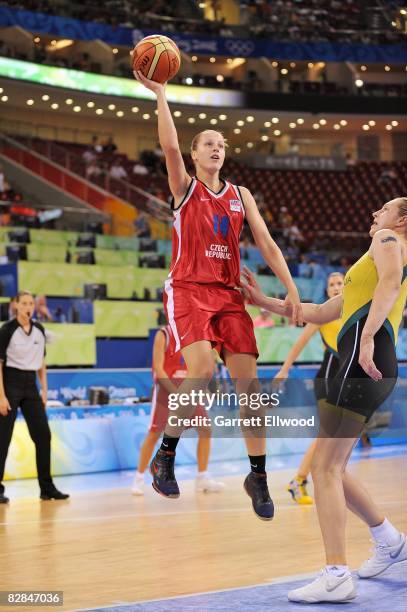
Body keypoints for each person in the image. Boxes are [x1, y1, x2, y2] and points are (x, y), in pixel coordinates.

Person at [133, 68, 302, 520]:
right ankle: (165, 455)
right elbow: (168, 145)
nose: (217, 148)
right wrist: (161, 95)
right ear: (195, 153)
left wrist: (290, 291)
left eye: (222, 145)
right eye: (209, 142)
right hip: (188, 288)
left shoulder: (241, 194)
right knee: (203, 370)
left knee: (251, 389)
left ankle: (258, 475)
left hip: (229, 295)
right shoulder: (184, 188)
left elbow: (265, 242)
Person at [241, 196, 407, 603]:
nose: (374, 214)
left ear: (401, 220)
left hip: (362, 356)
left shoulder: (388, 240)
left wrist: (366, 337)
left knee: (325, 468)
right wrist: (264, 302)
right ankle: (391, 542)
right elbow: (320, 311)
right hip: (369, 359)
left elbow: (390, 282)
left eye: (382, 209)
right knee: (332, 467)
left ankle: (336, 574)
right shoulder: (366, 266)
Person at [274, 272, 344, 505]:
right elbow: (300, 342)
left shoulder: (355, 311)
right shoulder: (323, 314)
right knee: (328, 435)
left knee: (334, 436)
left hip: (345, 380)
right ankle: (301, 480)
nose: (335, 287)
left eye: (339, 283)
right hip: (327, 379)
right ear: (327, 291)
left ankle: (306, 480)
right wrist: (284, 370)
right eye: (331, 284)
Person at [132, 326, 224, 495]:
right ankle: (138, 478)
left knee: (205, 429)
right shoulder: (164, 334)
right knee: (154, 433)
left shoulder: (195, 334)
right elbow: (158, 369)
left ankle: (202, 477)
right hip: (166, 390)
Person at [0, 291, 69, 503]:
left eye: (31, 303)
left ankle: (46, 488)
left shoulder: (39, 329)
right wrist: (1, 396)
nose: (28, 307)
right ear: (16, 305)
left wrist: (44, 389)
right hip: (10, 383)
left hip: (31, 386)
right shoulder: (7, 330)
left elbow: (42, 363)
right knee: (3, 439)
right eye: (24, 303)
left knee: (43, 436)